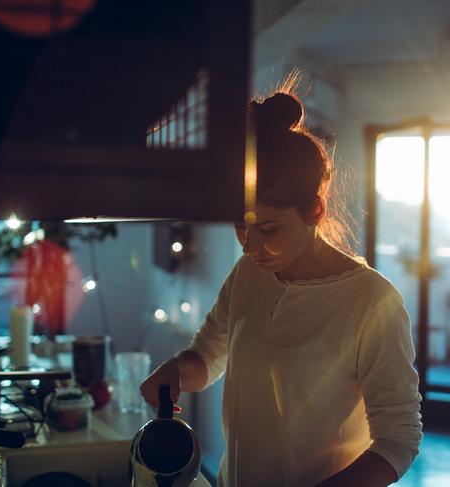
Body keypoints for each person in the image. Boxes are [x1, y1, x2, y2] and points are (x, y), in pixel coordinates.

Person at [140, 85, 423, 487]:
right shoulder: (247, 274)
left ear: (315, 210)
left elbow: (399, 439)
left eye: (268, 228)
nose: (250, 246)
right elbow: (208, 356)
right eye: (241, 226)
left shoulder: (372, 301)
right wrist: (176, 372)